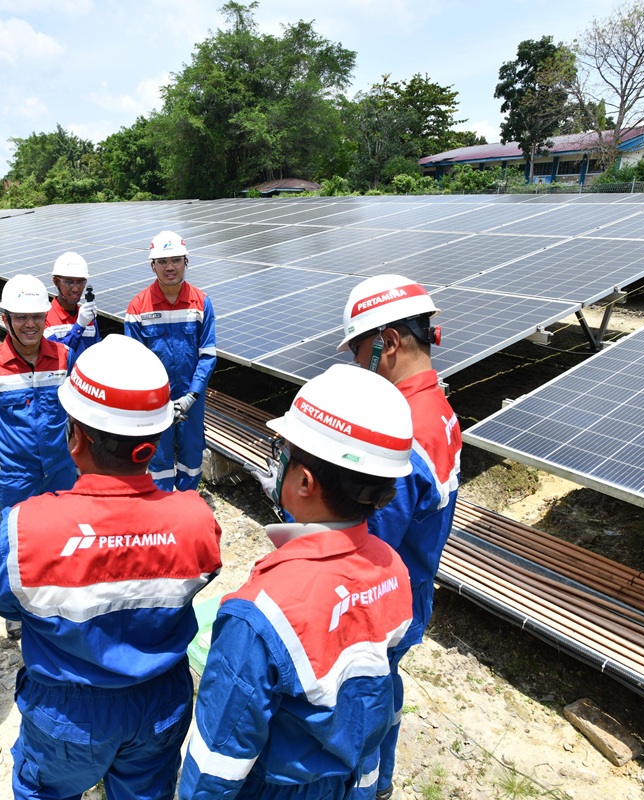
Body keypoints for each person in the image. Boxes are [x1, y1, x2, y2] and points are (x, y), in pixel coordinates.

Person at [0, 334, 223, 800]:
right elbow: (202, 577)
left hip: (66, 713)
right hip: (160, 702)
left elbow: (7, 604)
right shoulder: (197, 520)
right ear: (155, 440)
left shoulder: (26, 527)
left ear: (75, 437)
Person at [180, 364, 414, 799]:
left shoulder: (261, 612)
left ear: (304, 481)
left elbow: (217, 761)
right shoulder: (392, 570)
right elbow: (370, 702)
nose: (277, 462)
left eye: (284, 452)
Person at [338, 275, 462, 800]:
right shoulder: (439, 409)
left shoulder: (403, 432)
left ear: (387, 342)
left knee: (358, 706)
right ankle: (382, 782)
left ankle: (363, 788)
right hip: (414, 587)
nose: (355, 363)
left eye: (358, 350)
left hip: (379, 602)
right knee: (384, 690)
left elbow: (369, 544)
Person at [0, 274, 75, 513]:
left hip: (61, 470)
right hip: (15, 477)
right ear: (5, 320)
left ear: (46, 317)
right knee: (17, 531)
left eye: (37, 316)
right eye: (20, 317)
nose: (30, 324)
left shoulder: (65, 357)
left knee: (62, 528)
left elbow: (73, 411)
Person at [124, 230, 216, 492]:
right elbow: (135, 362)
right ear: (152, 265)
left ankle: (187, 502)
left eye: (175, 260)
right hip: (154, 401)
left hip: (191, 399)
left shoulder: (201, 302)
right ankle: (161, 504)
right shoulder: (137, 307)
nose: (170, 267)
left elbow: (208, 355)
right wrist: (157, 398)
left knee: (192, 456)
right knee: (158, 457)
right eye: (162, 261)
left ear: (186, 261)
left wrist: (192, 395)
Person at [45, 251, 99, 356]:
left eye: (80, 282)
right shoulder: (45, 318)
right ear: (56, 282)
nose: (75, 289)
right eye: (69, 282)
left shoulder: (88, 317)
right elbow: (56, 356)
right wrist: (79, 326)